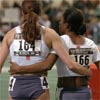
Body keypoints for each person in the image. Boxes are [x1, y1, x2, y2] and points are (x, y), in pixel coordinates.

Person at [0, 0, 91, 99]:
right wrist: (87, 72)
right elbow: (70, 64)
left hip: (15, 85)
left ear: (22, 12)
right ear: (40, 12)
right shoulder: (50, 34)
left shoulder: (10, 35)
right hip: (39, 85)